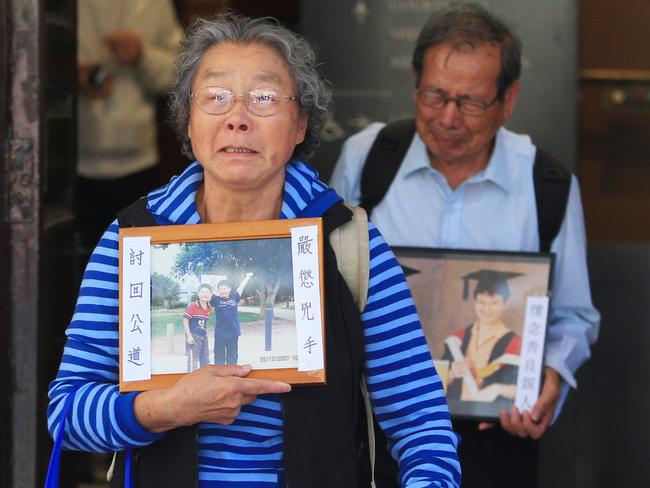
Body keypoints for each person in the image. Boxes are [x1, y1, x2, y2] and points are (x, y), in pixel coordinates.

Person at [47, 13, 460, 487]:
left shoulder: (349, 243)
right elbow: (66, 415)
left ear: (301, 123)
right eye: (216, 97)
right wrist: (163, 408)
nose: (238, 119)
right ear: (188, 117)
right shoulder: (134, 238)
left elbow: (421, 423)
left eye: (264, 98)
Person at [330, 3, 599, 487]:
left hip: (496, 432)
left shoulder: (547, 183)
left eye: (471, 102)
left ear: (508, 99)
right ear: (416, 81)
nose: (448, 118)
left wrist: (552, 375)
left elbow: (574, 315)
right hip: (381, 427)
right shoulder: (369, 159)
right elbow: (332, 288)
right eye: (434, 95)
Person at [76, 0, 183, 247]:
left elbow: (179, 75)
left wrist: (141, 56)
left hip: (137, 159)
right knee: (75, 263)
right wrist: (69, 76)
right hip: (73, 160)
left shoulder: (155, 5)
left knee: (136, 253)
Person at [443, 270, 523, 405]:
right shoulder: (458, 339)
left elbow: (522, 388)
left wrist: (497, 388)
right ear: (475, 302)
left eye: (494, 303)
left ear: (505, 305)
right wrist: (451, 374)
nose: (486, 309)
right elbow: (433, 382)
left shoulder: (514, 344)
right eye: (481, 302)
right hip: (454, 415)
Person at [211, 274, 253, 365]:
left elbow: (241, 286)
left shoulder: (235, 297)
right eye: (220, 289)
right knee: (219, 357)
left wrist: (247, 277)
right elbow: (205, 293)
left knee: (232, 357)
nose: (222, 291)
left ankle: (231, 376)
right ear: (218, 290)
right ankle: (220, 377)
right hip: (220, 333)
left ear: (229, 289)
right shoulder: (215, 299)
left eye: (224, 288)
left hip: (233, 332)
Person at [184, 283, 214, 373]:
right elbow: (185, 320)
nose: (205, 294)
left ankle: (202, 382)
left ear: (211, 294)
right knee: (193, 362)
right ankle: (190, 383)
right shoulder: (194, 306)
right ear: (198, 293)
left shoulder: (209, 308)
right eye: (203, 292)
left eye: (207, 292)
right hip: (194, 336)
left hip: (203, 337)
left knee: (205, 361)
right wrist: (189, 336)